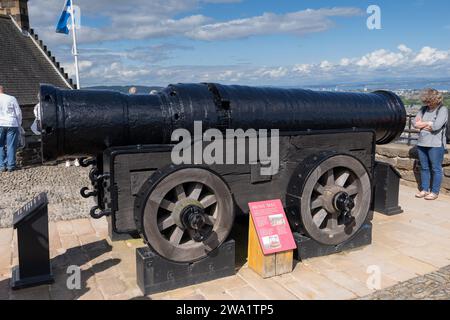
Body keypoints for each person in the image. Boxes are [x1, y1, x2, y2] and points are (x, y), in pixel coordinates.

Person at [414, 88, 448, 200]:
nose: (427, 104)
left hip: (436, 144)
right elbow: (415, 123)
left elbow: (436, 126)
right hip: (422, 143)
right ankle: (424, 189)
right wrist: (428, 123)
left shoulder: (442, 110)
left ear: (435, 100)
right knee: (424, 167)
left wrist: (423, 125)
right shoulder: (423, 109)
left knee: (436, 168)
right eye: (426, 102)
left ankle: (434, 192)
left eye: (429, 101)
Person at [0, 85, 22, 172]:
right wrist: (19, 124)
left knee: (0, 145)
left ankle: (1, 166)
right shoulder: (11, 98)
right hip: (11, 123)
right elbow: (18, 112)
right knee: (11, 145)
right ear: (3, 90)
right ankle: (11, 166)